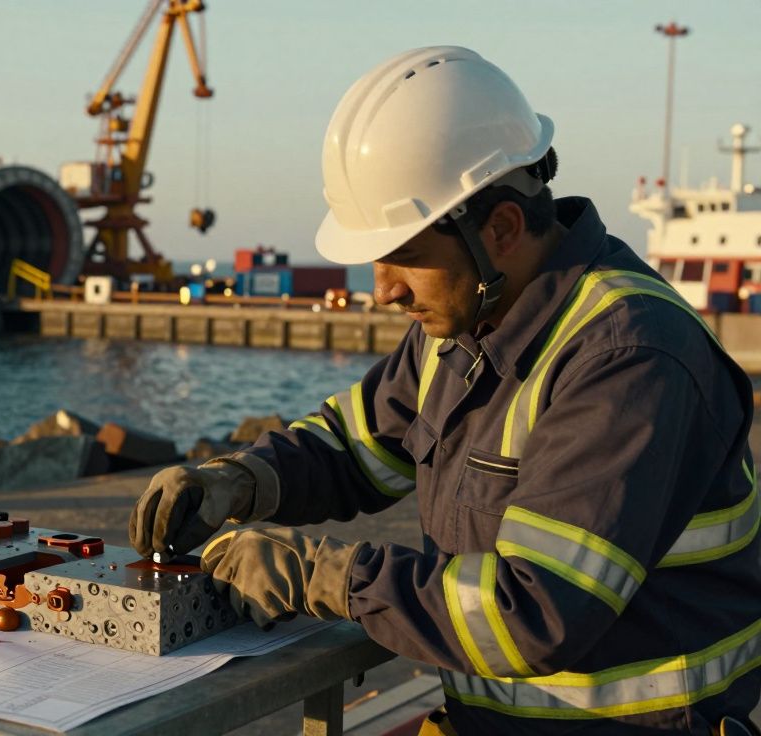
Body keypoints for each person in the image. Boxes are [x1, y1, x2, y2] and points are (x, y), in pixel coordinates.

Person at [130, 46, 760, 735]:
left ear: (502, 229)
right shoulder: (468, 326)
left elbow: (532, 615)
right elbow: (356, 445)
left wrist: (326, 578)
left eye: (406, 258)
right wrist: (245, 478)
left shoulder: (628, 360)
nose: (385, 290)